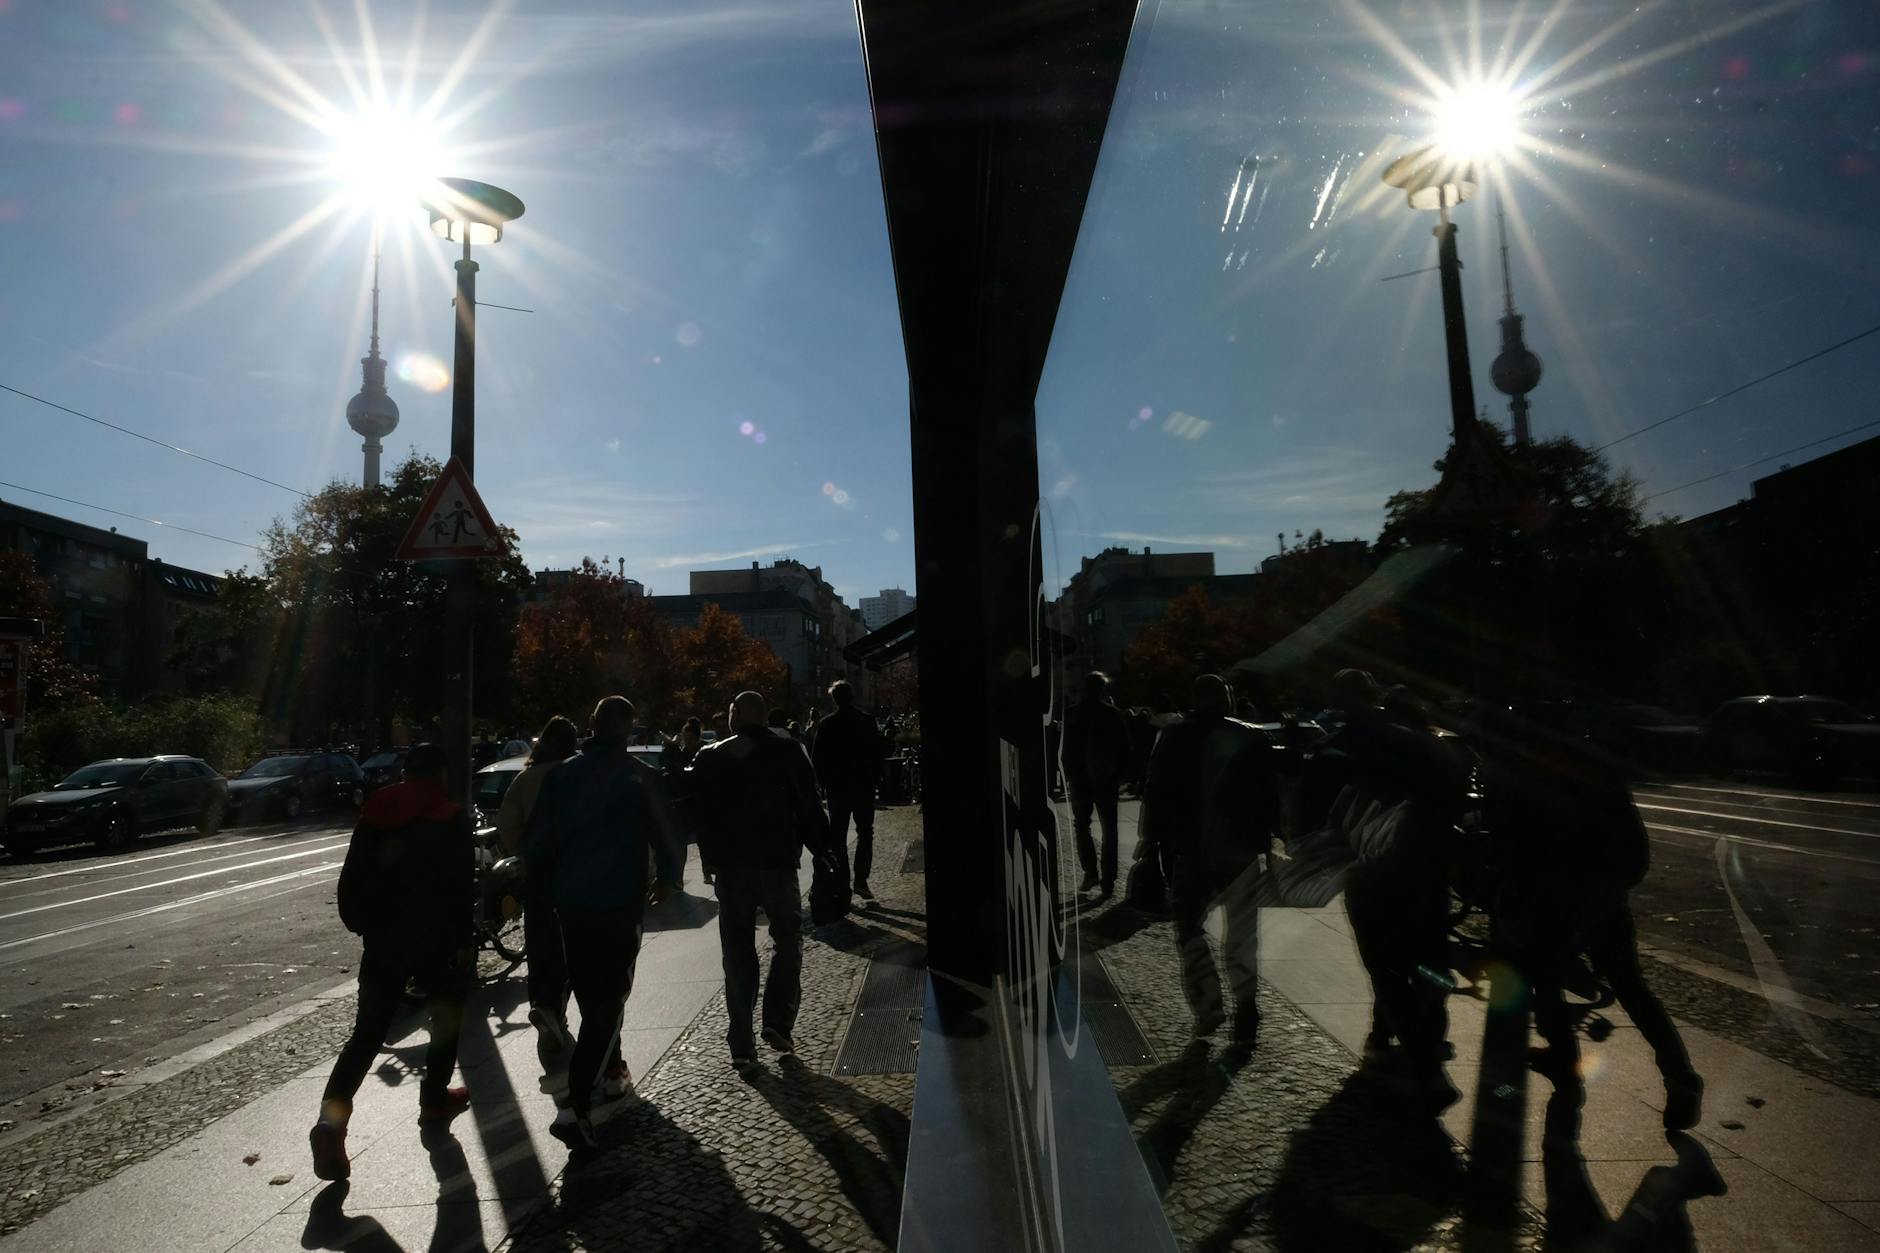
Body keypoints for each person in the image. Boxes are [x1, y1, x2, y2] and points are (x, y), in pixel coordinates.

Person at [523, 696, 684, 1153]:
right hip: (619, 901)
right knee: (608, 999)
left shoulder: (561, 776)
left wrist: (545, 896)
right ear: (630, 731)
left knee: (594, 993)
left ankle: (609, 1075)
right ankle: (576, 1103)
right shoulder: (641, 777)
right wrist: (669, 879)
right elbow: (669, 833)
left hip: (572, 902)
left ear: (591, 724)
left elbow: (538, 844)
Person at [310, 742, 473, 1181]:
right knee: (447, 1017)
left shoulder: (377, 811)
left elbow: (353, 873)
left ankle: (331, 1124)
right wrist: (462, 940)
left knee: (366, 1036)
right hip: (435, 939)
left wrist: (360, 923)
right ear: (439, 773)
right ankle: (434, 1098)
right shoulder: (449, 814)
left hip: (384, 939)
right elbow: (460, 886)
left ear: (405, 772)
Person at [693, 690, 840, 1068]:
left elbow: (702, 816)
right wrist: (821, 847)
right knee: (788, 942)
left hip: (731, 868)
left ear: (737, 714)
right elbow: (807, 803)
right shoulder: (787, 751)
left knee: (737, 953)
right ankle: (777, 1020)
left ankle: (741, 1042)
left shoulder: (710, 757)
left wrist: (709, 861)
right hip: (777, 863)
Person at [1142, 675, 1275, 1046]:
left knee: (1189, 928)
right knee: (1243, 935)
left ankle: (1207, 1002)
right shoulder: (1253, 736)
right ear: (1227, 699)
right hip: (1242, 851)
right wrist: (1266, 844)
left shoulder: (1175, 736)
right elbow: (1268, 798)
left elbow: (1157, 792)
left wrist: (1151, 840)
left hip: (1193, 849)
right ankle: (1246, 1010)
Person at [494, 715, 581, 1084]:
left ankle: (544, 1003)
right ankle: (558, 1006)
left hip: (540, 874)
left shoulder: (524, 779)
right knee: (576, 943)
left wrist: (524, 854)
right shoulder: (577, 774)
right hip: (579, 870)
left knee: (542, 940)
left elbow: (507, 830)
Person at [811, 679, 884, 902]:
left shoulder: (826, 724)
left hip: (838, 789)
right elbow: (876, 754)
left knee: (838, 838)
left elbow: (818, 759)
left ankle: (843, 880)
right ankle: (861, 881)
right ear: (852, 696)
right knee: (865, 833)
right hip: (862, 787)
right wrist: (874, 779)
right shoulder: (866, 721)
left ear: (834, 699)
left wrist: (824, 786)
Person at [1062, 671, 1133, 898]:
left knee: (1082, 826)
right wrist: (1122, 773)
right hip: (1106, 778)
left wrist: (1069, 773)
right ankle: (1108, 879)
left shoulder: (1072, 714)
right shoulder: (1112, 714)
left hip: (1080, 778)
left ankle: (1090, 872)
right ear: (1103, 690)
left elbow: (1065, 749)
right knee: (1109, 828)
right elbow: (1125, 747)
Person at [664, 717, 711, 884]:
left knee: (704, 842)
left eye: (691, 739)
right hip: (684, 804)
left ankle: (707, 871)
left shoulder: (704, 752)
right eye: (686, 739)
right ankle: (679, 876)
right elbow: (671, 771)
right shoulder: (680, 753)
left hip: (701, 804)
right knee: (681, 842)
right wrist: (671, 748)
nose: (688, 742)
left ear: (697, 738)